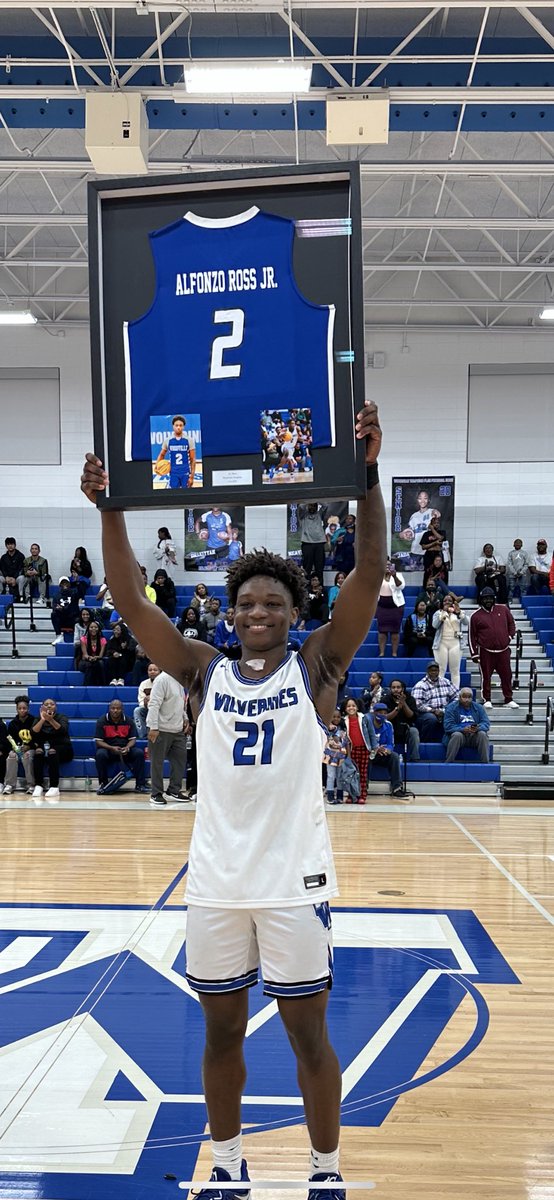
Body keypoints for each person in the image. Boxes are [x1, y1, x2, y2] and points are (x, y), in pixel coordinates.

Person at [81, 397, 385, 1200]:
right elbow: (131, 601)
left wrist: (368, 476)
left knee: (308, 1037)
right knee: (220, 1035)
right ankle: (226, 1163)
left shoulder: (316, 667)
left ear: (293, 613)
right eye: (246, 601)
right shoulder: (201, 670)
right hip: (216, 883)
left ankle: (325, 1169)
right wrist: (110, 508)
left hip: (293, 882)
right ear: (231, 610)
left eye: (272, 602)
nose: (257, 611)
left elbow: (368, 573)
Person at [468, 587, 519, 709]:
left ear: (494, 598)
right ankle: (487, 699)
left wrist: (510, 637)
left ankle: (508, 699)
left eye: (490, 598)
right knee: (486, 676)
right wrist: (474, 653)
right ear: (481, 599)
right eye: (485, 598)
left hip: (503, 650)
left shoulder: (503, 609)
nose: (488, 600)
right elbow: (471, 636)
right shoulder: (475, 616)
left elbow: (512, 624)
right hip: (485, 651)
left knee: (507, 675)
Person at [147, 670, 190, 805]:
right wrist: (153, 727)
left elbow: (180, 704)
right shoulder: (162, 680)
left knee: (180, 761)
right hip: (160, 729)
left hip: (177, 729)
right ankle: (156, 793)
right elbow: (154, 704)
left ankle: (173, 790)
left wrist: (185, 718)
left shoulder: (180, 680)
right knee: (157, 763)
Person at [94, 699, 148, 794]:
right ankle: (103, 784)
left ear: (122, 709)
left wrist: (127, 747)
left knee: (139, 753)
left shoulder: (128, 721)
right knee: (100, 754)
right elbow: (99, 742)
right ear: (109, 709)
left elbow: (132, 739)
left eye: (118, 708)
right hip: (109, 749)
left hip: (124, 750)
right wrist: (111, 748)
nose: (115, 710)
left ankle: (140, 785)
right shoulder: (102, 721)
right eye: (113, 708)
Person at [31, 698, 73, 801]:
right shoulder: (37, 718)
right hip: (45, 749)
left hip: (63, 748)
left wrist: (50, 720)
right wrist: (42, 720)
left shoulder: (62, 717)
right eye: (46, 704)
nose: (49, 706)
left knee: (52, 752)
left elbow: (63, 730)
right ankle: (38, 785)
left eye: (52, 704)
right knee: (38, 752)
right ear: (42, 707)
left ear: (56, 707)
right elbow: (33, 732)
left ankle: (54, 786)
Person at [411, 661, 459, 742]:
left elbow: (457, 696)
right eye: (431, 670)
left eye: (435, 670)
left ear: (439, 671)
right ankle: (425, 743)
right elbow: (417, 705)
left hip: (445, 711)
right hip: (425, 713)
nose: (433, 672)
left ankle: (449, 742)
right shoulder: (420, 685)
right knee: (431, 718)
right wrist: (433, 711)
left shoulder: (446, 682)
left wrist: (448, 709)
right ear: (427, 671)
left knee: (454, 715)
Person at [342, 697, 377, 804]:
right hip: (351, 750)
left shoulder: (365, 718)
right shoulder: (344, 721)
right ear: (345, 708)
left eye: (353, 705)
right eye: (348, 706)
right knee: (351, 773)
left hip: (364, 749)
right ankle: (352, 795)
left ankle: (362, 795)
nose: (351, 708)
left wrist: (374, 747)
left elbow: (371, 733)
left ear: (357, 707)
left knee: (362, 773)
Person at [368, 703, 407, 799]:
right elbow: (365, 741)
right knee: (366, 757)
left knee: (394, 756)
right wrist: (375, 749)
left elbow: (390, 743)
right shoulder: (367, 724)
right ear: (374, 713)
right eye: (380, 712)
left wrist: (388, 750)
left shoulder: (388, 725)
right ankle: (363, 787)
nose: (383, 715)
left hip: (383, 753)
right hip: (370, 752)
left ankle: (397, 788)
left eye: (385, 713)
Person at [443, 688, 491, 763]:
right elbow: (448, 726)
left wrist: (477, 728)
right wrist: (462, 729)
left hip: (474, 735)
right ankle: (448, 763)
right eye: (464, 697)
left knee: (482, 734)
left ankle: (485, 764)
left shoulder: (479, 707)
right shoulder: (451, 707)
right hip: (460, 735)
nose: (467, 700)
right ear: (459, 697)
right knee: (457, 735)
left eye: (469, 697)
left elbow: (486, 723)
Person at [432, 595, 467, 689]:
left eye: (449, 600)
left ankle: (455, 692)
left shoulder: (459, 612)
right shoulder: (438, 613)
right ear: (442, 602)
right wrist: (442, 615)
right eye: (445, 600)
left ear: (453, 602)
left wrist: (459, 613)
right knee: (441, 669)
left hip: (455, 643)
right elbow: (434, 625)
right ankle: (440, 691)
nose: (447, 602)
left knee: (455, 670)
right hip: (441, 643)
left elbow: (466, 622)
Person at [4, 695, 36, 795]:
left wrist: (29, 746)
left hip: (30, 748)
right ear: (16, 709)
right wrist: (14, 748)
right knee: (11, 756)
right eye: (20, 708)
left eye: (24, 708)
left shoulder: (34, 721)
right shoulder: (13, 723)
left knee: (27, 757)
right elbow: (10, 739)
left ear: (28, 708)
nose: (22, 710)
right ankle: (10, 785)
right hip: (17, 748)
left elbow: (37, 738)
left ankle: (31, 785)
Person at [383, 679, 420, 761]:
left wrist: (404, 703)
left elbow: (412, 716)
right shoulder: (385, 700)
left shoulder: (410, 699)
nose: (396, 689)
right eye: (393, 687)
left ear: (403, 689)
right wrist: (398, 708)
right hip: (390, 729)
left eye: (398, 687)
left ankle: (415, 758)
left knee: (414, 731)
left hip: (405, 729)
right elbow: (385, 718)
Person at [155, 415, 196, 489]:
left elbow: (193, 459)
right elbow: (161, 454)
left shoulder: (189, 440)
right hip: (173, 473)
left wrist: (192, 477)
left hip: (185, 473)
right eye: (176, 425)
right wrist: (157, 466)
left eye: (181, 425)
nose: (178, 427)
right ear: (173, 426)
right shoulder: (168, 440)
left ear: (183, 427)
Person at [376, 561, 405, 657]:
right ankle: (382, 652)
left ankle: (394, 653)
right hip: (382, 607)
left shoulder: (398, 575)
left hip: (395, 607)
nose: (387, 566)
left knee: (395, 631)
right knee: (382, 630)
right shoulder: (377, 576)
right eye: (385, 565)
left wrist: (394, 576)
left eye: (389, 565)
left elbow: (401, 586)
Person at [398, 489, 435, 562]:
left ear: (429, 500)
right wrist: (404, 534)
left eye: (425, 498)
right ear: (417, 500)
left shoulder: (432, 512)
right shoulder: (414, 516)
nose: (422, 501)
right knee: (413, 568)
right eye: (420, 498)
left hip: (428, 551)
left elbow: (437, 515)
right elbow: (410, 531)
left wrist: (436, 513)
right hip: (415, 551)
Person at [323, 711, 349, 805]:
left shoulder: (344, 728)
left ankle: (339, 796)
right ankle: (330, 797)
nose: (336, 719)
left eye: (338, 717)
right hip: (330, 755)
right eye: (334, 717)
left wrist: (348, 755)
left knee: (339, 776)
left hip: (341, 755)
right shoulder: (327, 727)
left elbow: (346, 743)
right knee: (331, 775)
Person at [298, 503, 327, 583]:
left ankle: (320, 588)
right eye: (311, 505)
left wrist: (316, 499)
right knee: (307, 568)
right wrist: (309, 500)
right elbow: (301, 506)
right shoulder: (303, 515)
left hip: (319, 543)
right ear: (307, 506)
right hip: (307, 543)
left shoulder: (319, 514)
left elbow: (325, 505)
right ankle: (306, 587)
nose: (313, 507)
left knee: (319, 568)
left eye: (314, 506)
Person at [133, 662, 161, 739]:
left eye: (155, 670)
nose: (152, 672)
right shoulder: (144, 684)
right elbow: (141, 702)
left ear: (160, 672)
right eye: (150, 670)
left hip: (161, 710)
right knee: (137, 711)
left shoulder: (164, 684)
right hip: (148, 708)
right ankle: (143, 736)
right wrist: (150, 705)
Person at [103, 621, 136, 685]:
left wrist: (125, 648)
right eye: (114, 630)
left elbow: (132, 652)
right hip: (115, 658)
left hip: (127, 660)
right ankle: (113, 679)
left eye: (118, 630)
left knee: (123, 659)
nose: (115, 631)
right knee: (111, 659)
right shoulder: (112, 639)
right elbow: (108, 650)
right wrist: (114, 653)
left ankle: (121, 679)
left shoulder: (129, 639)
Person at [51, 576, 81, 644]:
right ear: (60, 585)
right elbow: (54, 606)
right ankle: (59, 636)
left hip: (72, 617)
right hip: (62, 618)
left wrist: (77, 582)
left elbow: (80, 593)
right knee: (54, 614)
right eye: (63, 583)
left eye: (66, 583)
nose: (65, 584)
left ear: (69, 584)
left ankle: (78, 638)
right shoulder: (56, 595)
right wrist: (58, 608)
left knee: (77, 615)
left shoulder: (74, 593)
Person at [420, 515, 450, 585]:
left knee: (442, 570)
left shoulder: (442, 532)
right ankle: (426, 587)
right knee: (428, 571)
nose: (436, 524)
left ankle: (443, 587)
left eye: (438, 523)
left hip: (438, 554)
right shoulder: (426, 534)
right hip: (429, 555)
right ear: (431, 524)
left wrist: (432, 529)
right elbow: (423, 547)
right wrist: (435, 543)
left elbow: (441, 538)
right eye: (434, 523)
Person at [78, 620, 107, 686]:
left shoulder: (103, 640)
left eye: (96, 627)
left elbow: (101, 655)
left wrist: (96, 657)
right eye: (91, 627)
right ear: (88, 629)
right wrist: (89, 658)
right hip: (85, 661)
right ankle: (87, 687)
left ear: (99, 629)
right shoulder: (83, 639)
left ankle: (102, 686)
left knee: (100, 663)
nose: (93, 629)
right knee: (89, 665)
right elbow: (85, 655)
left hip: (97, 660)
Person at [0, 715, 9, 793]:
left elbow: (4, 742)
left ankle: (1, 782)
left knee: (1, 757)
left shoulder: (1, 725)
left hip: (2, 750)